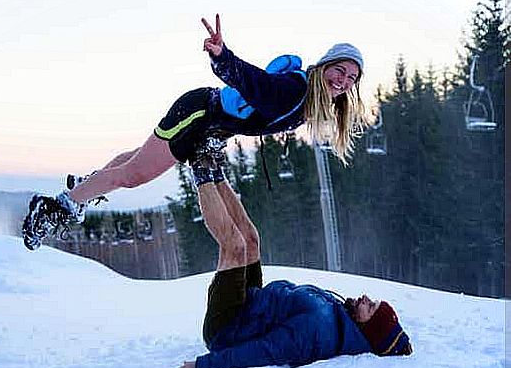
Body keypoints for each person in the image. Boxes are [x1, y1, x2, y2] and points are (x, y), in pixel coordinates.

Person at [21, 13, 369, 250]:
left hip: (208, 122)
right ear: (324, 66)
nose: (343, 81)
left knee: (135, 162)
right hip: (199, 114)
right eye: (340, 70)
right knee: (134, 174)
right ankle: (56, 207)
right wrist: (222, 55)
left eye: (351, 78)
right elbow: (254, 83)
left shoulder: (312, 101)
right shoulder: (296, 88)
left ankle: (86, 186)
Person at [166, 184, 413, 368]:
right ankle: (214, 166)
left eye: (370, 307)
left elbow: (263, 351)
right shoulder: (340, 316)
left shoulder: (317, 334)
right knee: (251, 240)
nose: (366, 299)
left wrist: (200, 366)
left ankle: (200, 171)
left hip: (228, 326)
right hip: (252, 305)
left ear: (366, 327)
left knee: (235, 247)